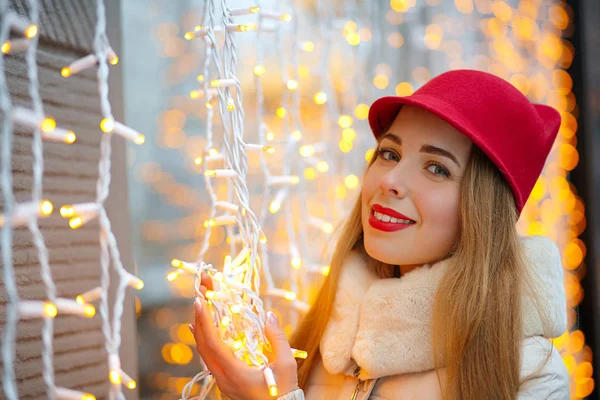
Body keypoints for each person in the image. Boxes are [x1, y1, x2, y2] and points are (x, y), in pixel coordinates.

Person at [189, 69, 570, 399]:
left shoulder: (530, 373)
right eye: (389, 153)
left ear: (483, 211)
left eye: (436, 168)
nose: (390, 180)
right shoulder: (327, 338)